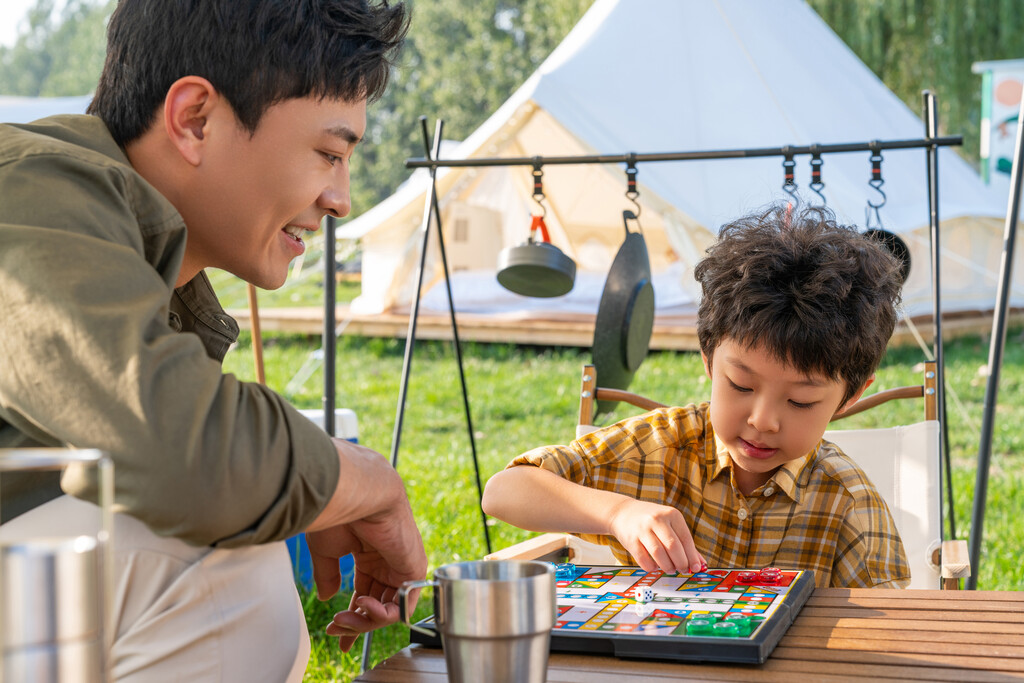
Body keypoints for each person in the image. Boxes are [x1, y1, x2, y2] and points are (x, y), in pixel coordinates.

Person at [0, 0, 426, 680]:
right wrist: (361, 480)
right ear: (195, 119)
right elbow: (182, 453)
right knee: (212, 566)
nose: (341, 197)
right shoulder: (27, 190)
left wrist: (282, 491)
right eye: (328, 153)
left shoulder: (147, 270)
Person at [482, 205, 911, 589]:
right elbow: (504, 491)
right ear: (709, 359)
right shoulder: (657, 450)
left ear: (850, 397)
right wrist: (617, 514)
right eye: (741, 385)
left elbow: (892, 633)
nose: (763, 420)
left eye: (800, 402)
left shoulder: (848, 505)